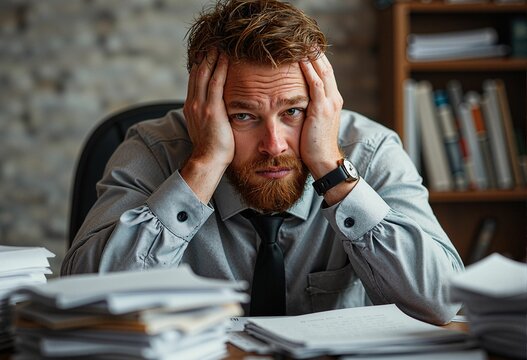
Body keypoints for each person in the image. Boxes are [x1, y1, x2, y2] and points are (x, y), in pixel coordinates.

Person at [61, 0, 464, 324]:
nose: (274, 145)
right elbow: (83, 299)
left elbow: (443, 301)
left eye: (293, 112)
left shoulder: (371, 151)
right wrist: (201, 165)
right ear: (204, 112)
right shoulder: (153, 150)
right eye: (243, 116)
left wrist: (334, 173)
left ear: (322, 104)